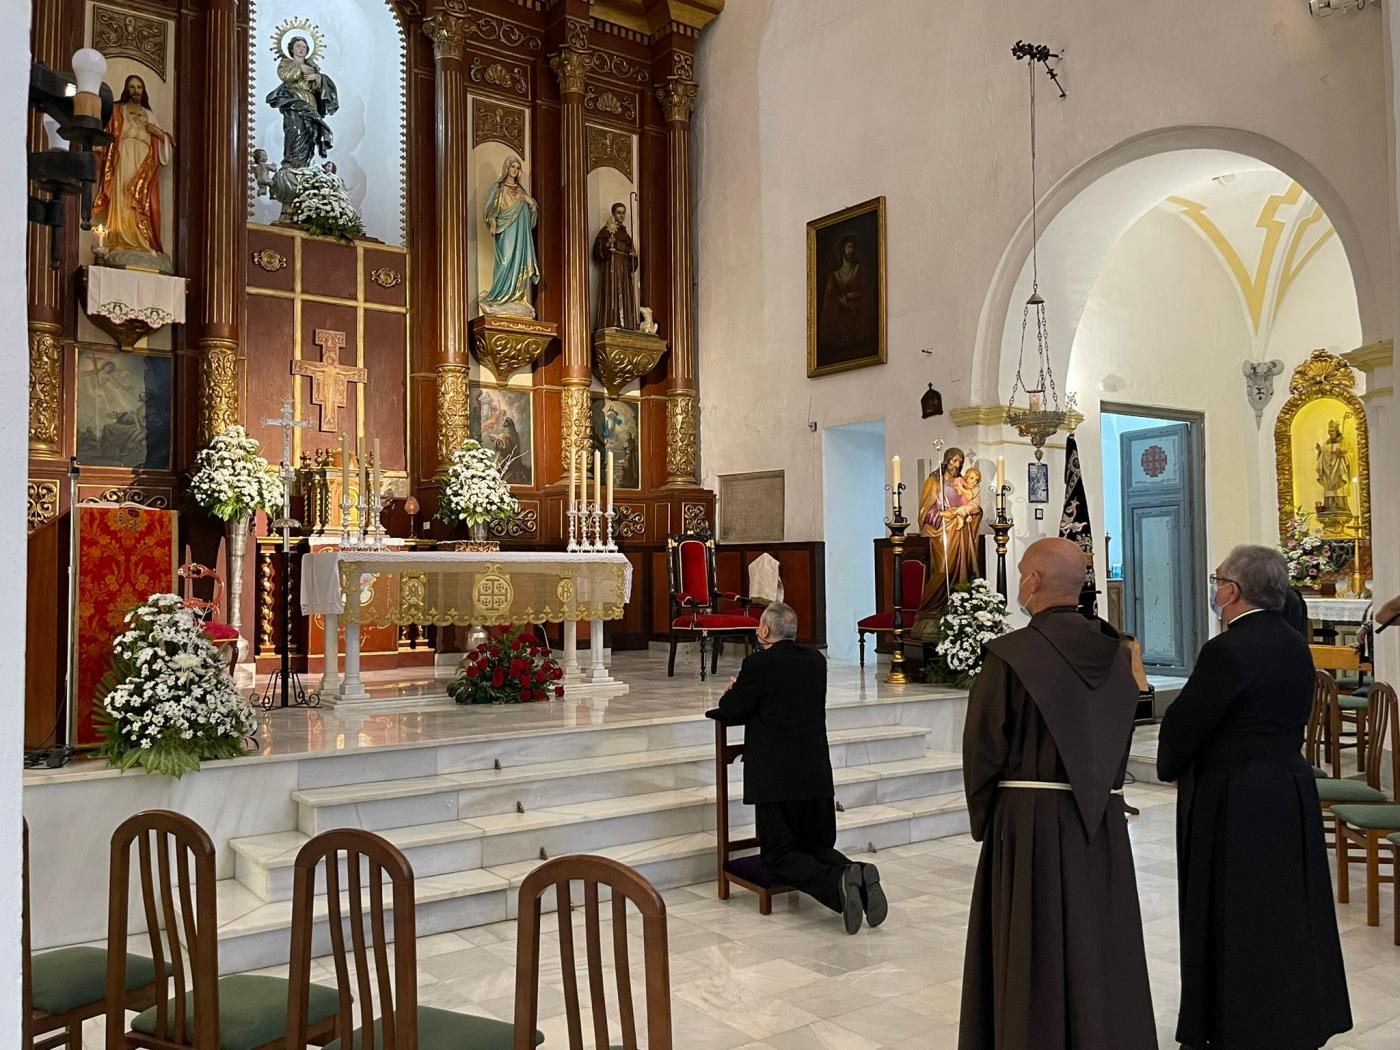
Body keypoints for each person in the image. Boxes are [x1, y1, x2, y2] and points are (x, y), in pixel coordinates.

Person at [959, 538, 1154, 1050]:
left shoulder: (1010, 655)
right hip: (1101, 822)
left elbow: (983, 747)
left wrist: (987, 818)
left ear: (1035, 582)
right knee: (1097, 936)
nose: (1021, 580)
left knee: (1033, 942)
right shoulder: (1119, 654)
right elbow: (1126, 728)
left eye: (1022, 572)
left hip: (1028, 823)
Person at [1157, 545, 1351, 1050]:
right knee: (1285, 908)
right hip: (1287, 787)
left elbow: (1187, 721)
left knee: (1234, 910)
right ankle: (1290, 1015)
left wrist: (1172, 764)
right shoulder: (1292, 641)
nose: (1214, 588)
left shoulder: (1228, 649)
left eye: (1217, 579)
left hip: (1236, 795)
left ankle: (1234, 1022)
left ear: (1233, 591)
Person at [707, 602, 886, 935]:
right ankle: (858, 871)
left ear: (763, 631)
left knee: (778, 855)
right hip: (815, 774)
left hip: (777, 780)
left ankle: (839, 881)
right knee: (817, 846)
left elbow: (730, 710)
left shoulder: (757, 664)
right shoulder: (816, 661)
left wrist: (735, 689)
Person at [93, 74, 174, 269]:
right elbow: (108, 133)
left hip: (144, 161)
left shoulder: (149, 114)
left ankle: (142, 242)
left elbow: (164, 142)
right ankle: (121, 239)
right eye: (132, 87)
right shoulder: (117, 109)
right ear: (126, 89)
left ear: (143, 91)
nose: (135, 91)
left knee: (144, 201)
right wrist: (99, 149)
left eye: (139, 87)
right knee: (123, 196)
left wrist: (159, 135)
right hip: (123, 157)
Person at [480, 157, 540, 317]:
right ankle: (499, 296)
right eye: (512, 166)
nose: (514, 169)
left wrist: (531, 203)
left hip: (521, 233)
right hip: (505, 230)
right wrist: (492, 221)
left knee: (518, 262)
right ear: (506, 167)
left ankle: (516, 296)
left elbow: (532, 216)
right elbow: (489, 209)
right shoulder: (498, 187)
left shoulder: (521, 191)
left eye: (517, 167)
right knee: (505, 261)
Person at [593, 202, 639, 330]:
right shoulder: (606, 231)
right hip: (611, 270)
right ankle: (612, 321)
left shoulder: (626, 236)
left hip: (624, 271)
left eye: (623, 213)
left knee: (624, 295)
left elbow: (633, 264)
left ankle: (627, 324)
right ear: (613, 214)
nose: (621, 215)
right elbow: (597, 253)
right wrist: (607, 245)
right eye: (618, 212)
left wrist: (633, 257)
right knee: (612, 294)